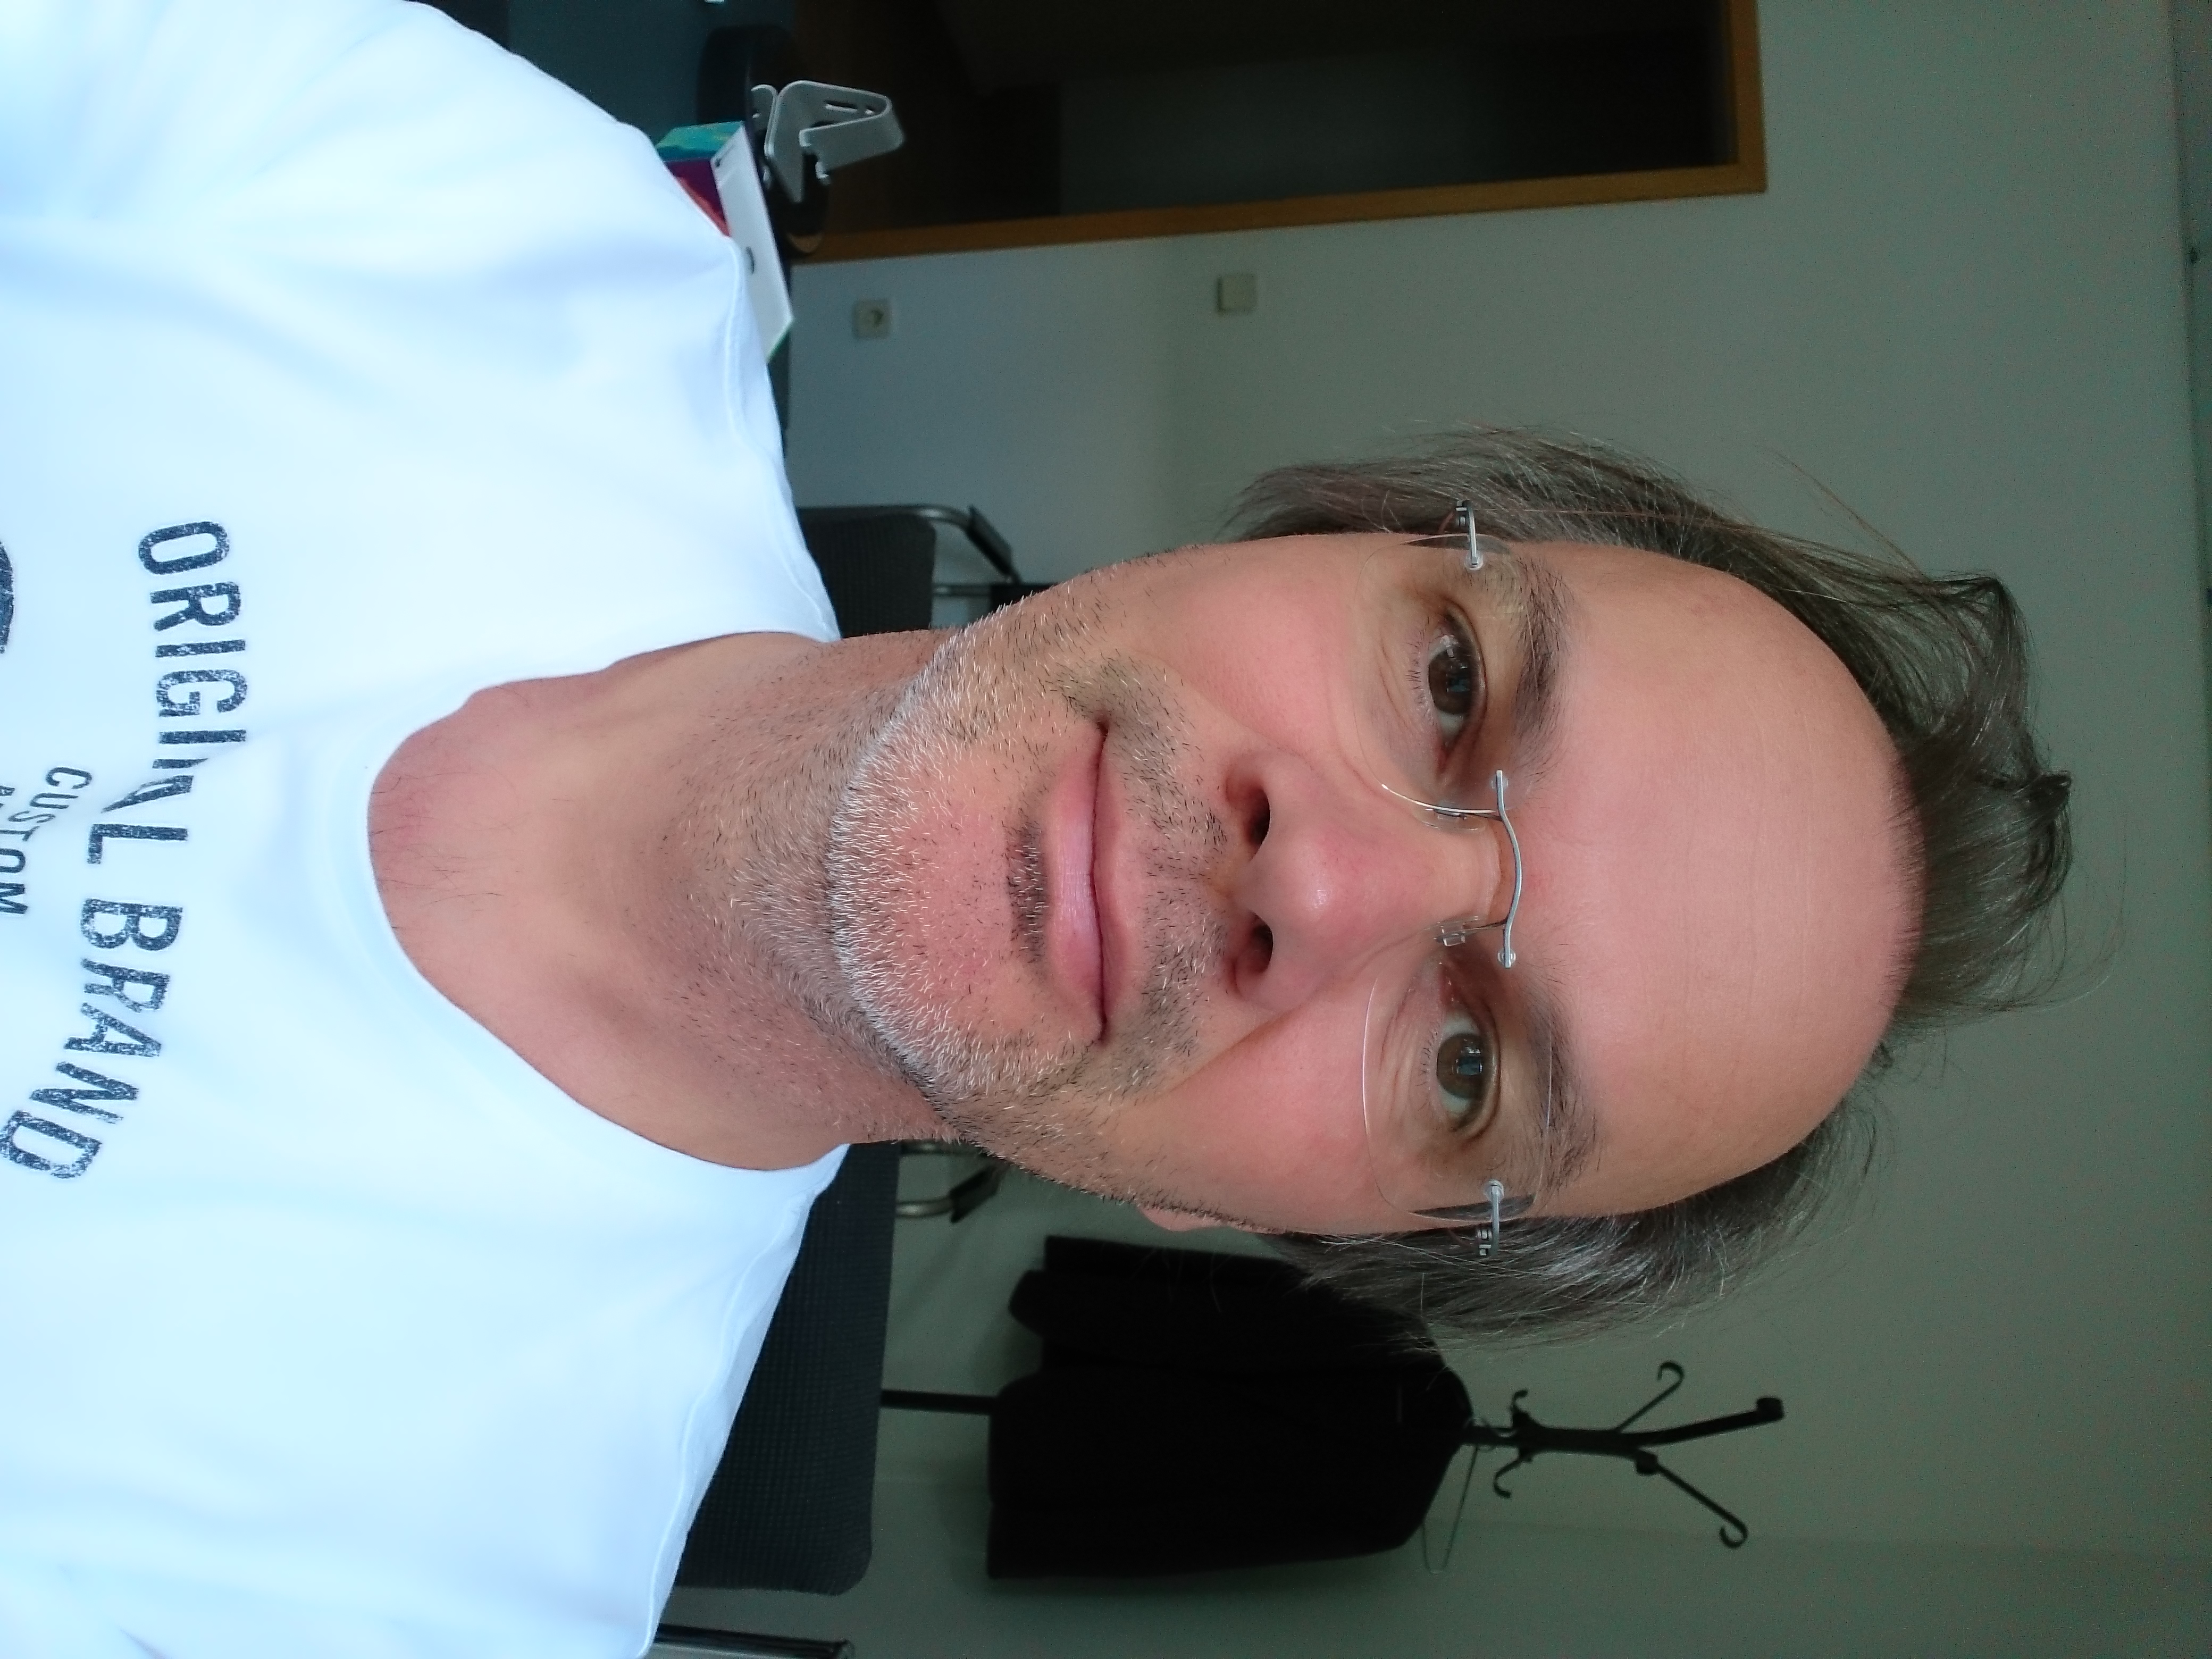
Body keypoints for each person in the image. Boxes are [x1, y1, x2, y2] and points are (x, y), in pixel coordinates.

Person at [0, 0, 2071, 1654]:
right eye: (1452, 685)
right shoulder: (487, 236)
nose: (1322, 881)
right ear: (1306, 538)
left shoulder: (388, 1596)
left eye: (1466, 1065)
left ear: (1277, 1231)